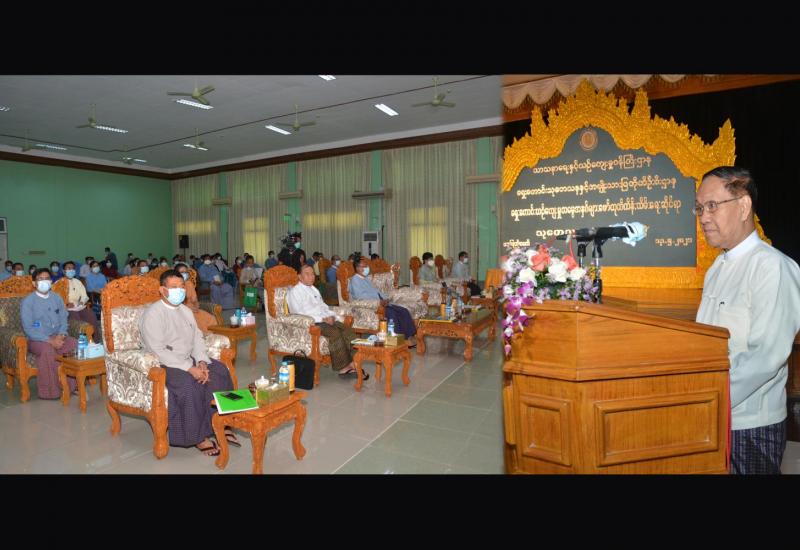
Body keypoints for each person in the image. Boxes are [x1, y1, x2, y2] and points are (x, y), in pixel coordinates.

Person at [694, 166, 800, 474]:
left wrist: (706, 397)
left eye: (712, 206)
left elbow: (765, 357)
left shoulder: (772, 267)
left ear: (743, 206)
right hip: (712, 413)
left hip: (750, 425)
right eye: (699, 208)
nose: (703, 217)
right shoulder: (716, 269)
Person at [139, 269, 238, 456]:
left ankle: (223, 424)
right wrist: (190, 369)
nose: (179, 290)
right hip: (165, 363)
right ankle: (197, 437)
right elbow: (157, 350)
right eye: (174, 287)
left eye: (181, 286)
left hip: (188, 358)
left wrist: (201, 361)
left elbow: (197, 338)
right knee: (189, 384)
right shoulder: (153, 314)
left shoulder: (185, 311)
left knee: (220, 372)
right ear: (162, 290)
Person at [287, 265, 363, 378]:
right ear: (300, 276)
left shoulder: (314, 289)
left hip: (324, 319)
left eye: (312, 274)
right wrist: (322, 319)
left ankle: (355, 361)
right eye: (307, 274)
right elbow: (298, 313)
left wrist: (333, 316)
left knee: (347, 330)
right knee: (334, 333)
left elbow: (324, 307)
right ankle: (344, 367)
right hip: (311, 323)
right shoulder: (295, 292)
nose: (311, 276)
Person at [20, 268, 77, 399]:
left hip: (57, 335)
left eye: (47, 278)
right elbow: (28, 328)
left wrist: (61, 335)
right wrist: (50, 340)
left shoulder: (56, 298)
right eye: (40, 279)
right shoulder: (28, 301)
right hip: (37, 340)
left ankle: (71, 386)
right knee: (48, 350)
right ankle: (51, 392)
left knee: (74, 344)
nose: (44, 281)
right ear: (34, 283)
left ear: (51, 281)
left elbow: (64, 319)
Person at [349, 256, 417, 341]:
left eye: (367, 266)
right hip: (372, 305)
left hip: (382, 302)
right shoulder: (355, 280)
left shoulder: (365, 279)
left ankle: (409, 336)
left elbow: (376, 291)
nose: (367, 268)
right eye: (364, 266)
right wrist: (379, 301)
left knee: (403, 311)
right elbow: (360, 296)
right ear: (357, 268)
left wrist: (386, 298)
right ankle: (394, 340)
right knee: (392, 314)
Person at [62, 261, 100, 342]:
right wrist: (66, 304)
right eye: (69, 268)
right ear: (64, 271)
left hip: (78, 307)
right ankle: (80, 342)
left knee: (91, 315)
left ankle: (95, 341)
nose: (71, 270)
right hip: (66, 309)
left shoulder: (78, 282)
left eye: (72, 268)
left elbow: (84, 296)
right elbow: (56, 300)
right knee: (76, 317)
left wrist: (82, 302)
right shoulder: (59, 283)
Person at [174, 263, 216, 334]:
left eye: (186, 272)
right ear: (176, 274)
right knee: (196, 322)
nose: (184, 274)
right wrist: (188, 309)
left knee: (211, 318)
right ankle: (201, 337)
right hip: (181, 310)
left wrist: (196, 307)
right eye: (182, 272)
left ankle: (209, 337)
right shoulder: (173, 286)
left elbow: (195, 299)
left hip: (193, 308)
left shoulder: (189, 284)